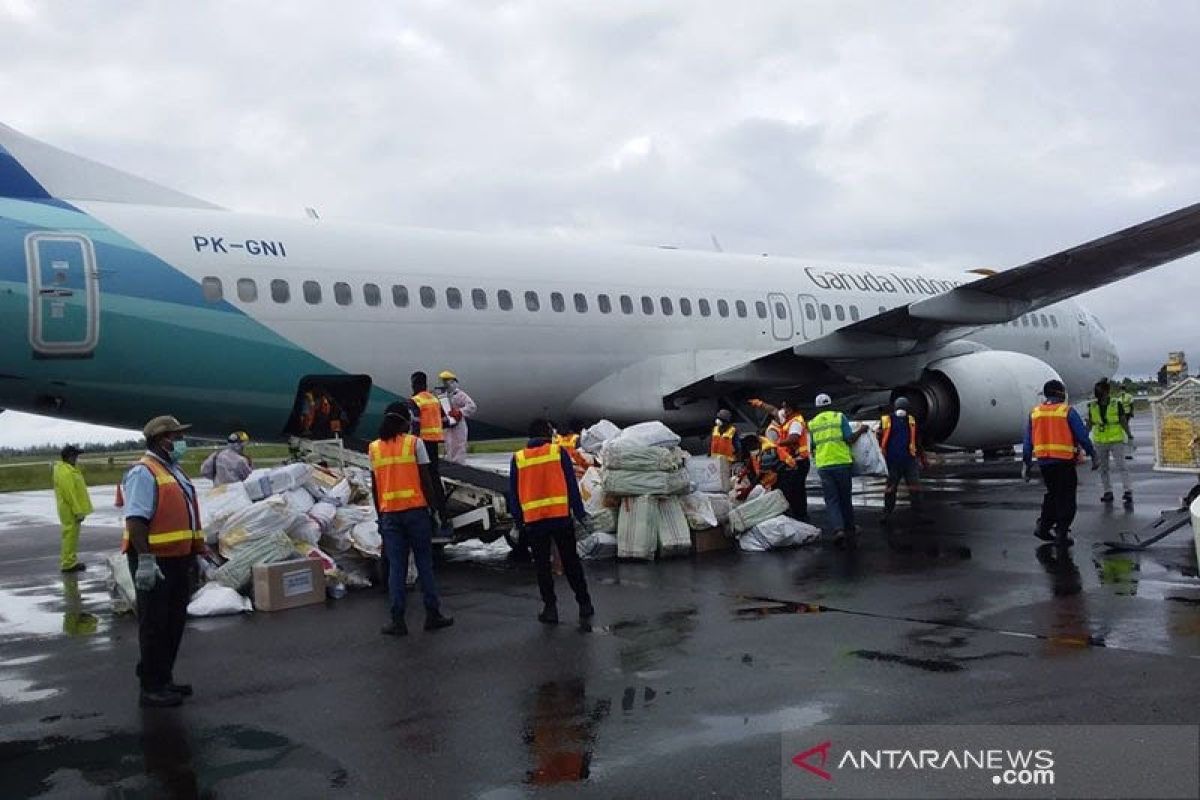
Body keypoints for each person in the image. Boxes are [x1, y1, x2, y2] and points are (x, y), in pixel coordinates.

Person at [121, 415, 207, 708]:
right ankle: (151, 686)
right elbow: (136, 520)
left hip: (179, 559)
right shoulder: (143, 472)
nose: (181, 441)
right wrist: (145, 559)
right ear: (162, 440)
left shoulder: (173, 469)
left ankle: (163, 677)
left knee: (173, 622)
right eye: (176, 436)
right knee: (154, 624)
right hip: (155, 561)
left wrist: (196, 555)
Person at [368, 401, 454, 637]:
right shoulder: (414, 443)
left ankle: (397, 620)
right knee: (425, 564)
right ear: (404, 421)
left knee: (397, 567)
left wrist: (380, 514)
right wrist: (435, 510)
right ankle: (432, 614)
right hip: (415, 512)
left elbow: (375, 486)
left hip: (389, 515)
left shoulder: (374, 448)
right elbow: (426, 479)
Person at [509, 418, 595, 625]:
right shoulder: (557, 453)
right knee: (571, 562)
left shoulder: (518, 458)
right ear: (547, 434)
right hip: (560, 518)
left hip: (535, 521)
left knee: (542, 567)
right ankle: (584, 604)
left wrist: (519, 521)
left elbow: (514, 494)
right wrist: (580, 513)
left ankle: (550, 609)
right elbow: (571, 486)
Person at [1022, 379, 1098, 547]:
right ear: (1059, 393)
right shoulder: (1066, 411)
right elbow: (1082, 436)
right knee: (1066, 498)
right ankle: (1062, 532)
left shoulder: (1035, 413)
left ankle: (1044, 526)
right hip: (1063, 461)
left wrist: (1027, 464)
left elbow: (1027, 442)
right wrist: (1093, 454)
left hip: (1044, 463)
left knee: (1053, 495)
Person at [808, 393, 869, 545]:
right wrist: (861, 430)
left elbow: (813, 446)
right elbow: (849, 438)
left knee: (832, 499)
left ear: (817, 407)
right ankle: (850, 527)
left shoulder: (813, 423)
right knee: (845, 498)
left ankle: (838, 529)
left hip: (824, 466)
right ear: (830, 404)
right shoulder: (838, 417)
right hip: (841, 463)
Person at [752, 399, 811, 520]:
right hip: (792, 461)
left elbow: (793, 438)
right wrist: (761, 404)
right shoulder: (787, 419)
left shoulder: (796, 421)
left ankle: (800, 518)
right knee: (791, 491)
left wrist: (776, 443)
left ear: (790, 409)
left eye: (785, 408)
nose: (782, 410)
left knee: (796, 492)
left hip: (799, 462)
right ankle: (796, 517)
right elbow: (773, 410)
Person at [1086, 380, 1132, 506]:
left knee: (1121, 466)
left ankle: (1127, 490)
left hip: (1115, 439)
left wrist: (1129, 434)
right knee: (1103, 469)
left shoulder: (1116, 404)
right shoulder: (1093, 406)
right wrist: (1084, 437)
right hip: (1100, 440)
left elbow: (1123, 421)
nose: (1097, 393)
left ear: (1106, 391)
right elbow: (1090, 423)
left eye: (1099, 390)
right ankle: (1107, 491)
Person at [878, 397, 925, 517]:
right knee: (891, 488)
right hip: (894, 460)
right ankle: (887, 512)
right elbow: (880, 437)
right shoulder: (886, 420)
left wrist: (922, 457)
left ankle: (918, 513)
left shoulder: (911, 421)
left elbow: (916, 441)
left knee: (913, 487)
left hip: (908, 460)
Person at [53, 444, 92, 573]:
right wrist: (78, 511)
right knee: (70, 536)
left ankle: (70, 560)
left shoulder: (69, 469)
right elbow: (70, 494)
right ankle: (68, 563)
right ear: (69, 457)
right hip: (69, 509)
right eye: (75, 456)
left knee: (72, 536)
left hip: (70, 509)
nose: (77, 458)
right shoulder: (65, 472)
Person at [410, 371, 447, 510]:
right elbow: (445, 420)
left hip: (421, 443)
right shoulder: (434, 399)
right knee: (434, 476)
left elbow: (415, 424)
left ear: (414, 384)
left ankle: (430, 507)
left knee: (423, 477)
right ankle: (441, 507)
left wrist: (412, 442)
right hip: (434, 441)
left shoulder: (415, 401)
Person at [438, 370, 478, 464]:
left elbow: (472, 406)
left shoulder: (460, 395)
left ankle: (460, 467)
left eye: (447, 381)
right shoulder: (443, 396)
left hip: (458, 425)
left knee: (459, 446)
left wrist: (460, 412)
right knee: (449, 445)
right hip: (448, 426)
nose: (445, 384)